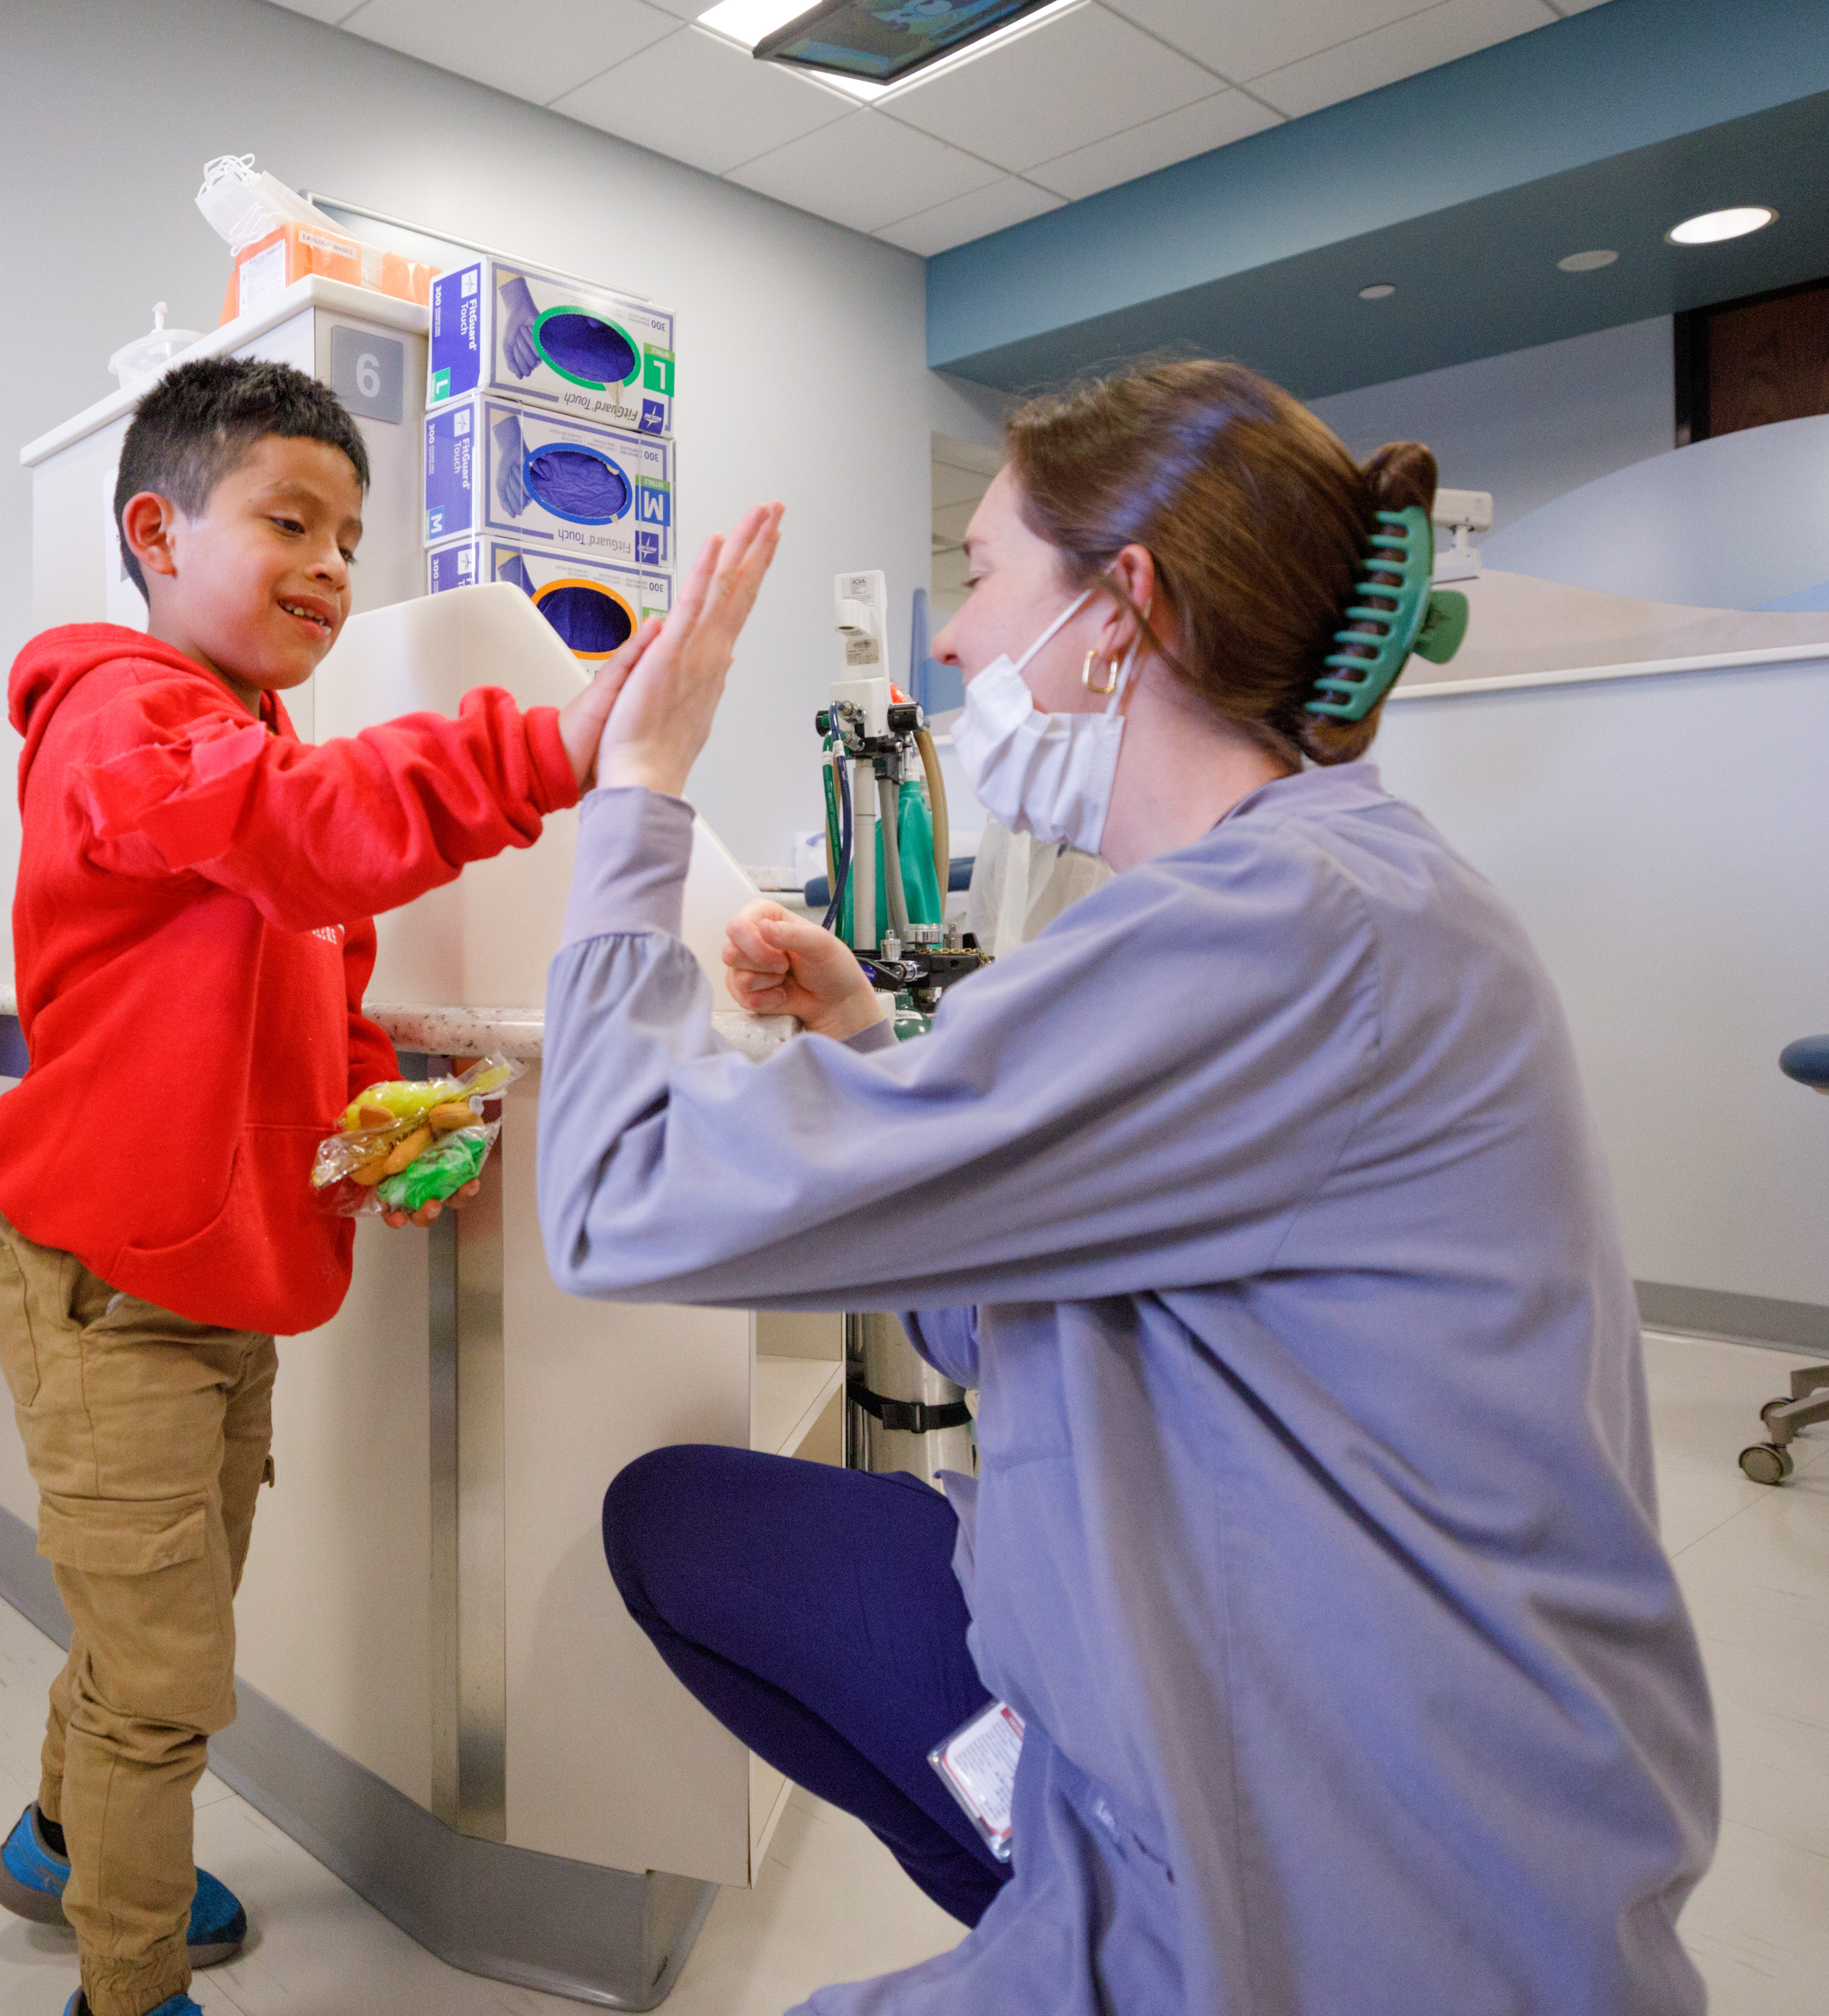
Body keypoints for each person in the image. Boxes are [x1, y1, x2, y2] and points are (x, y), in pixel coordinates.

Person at [542, 361, 1716, 2014]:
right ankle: (1042, 1856)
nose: (957, 642)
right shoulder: (1303, 894)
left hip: (1358, 1876)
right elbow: (980, 1327)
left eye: (979, 576)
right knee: (687, 1525)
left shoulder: (1283, 936)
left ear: (1119, 612)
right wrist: (871, 1037)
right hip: (1162, 1654)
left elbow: (617, 1196)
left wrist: (639, 793)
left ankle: (1111, 1940)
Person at [0, 356, 677, 2016]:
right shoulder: (121, 718)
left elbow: (313, 966)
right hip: (107, 1287)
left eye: (349, 539)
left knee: (160, 1617)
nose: (330, 568)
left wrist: (371, 1118)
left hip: (215, 1278)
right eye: (288, 521)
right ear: (156, 532)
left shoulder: (250, 742)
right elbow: (298, 835)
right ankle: (126, 1984)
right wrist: (549, 744)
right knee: (166, 1671)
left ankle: (59, 1844)